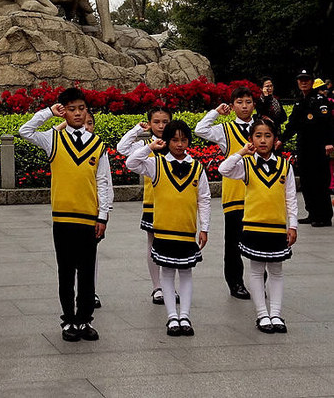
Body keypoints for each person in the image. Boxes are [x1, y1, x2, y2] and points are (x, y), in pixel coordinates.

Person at [18, 87, 112, 342]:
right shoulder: (53, 139)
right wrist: (48, 112)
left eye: (81, 108)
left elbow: (103, 182)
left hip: (88, 218)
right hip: (62, 218)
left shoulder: (98, 144)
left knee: (87, 271)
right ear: (64, 112)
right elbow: (24, 131)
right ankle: (68, 320)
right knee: (66, 271)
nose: (77, 113)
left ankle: (85, 320)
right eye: (71, 109)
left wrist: (103, 216)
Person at [126, 120, 210, 337]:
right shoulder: (157, 164)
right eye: (174, 140)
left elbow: (205, 198)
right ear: (167, 141)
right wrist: (150, 147)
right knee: (167, 272)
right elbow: (131, 163)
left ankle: (185, 315)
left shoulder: (197, 167)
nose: (180, 144)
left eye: (183, 140)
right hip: (163, 230)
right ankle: (172, 316)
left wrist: (205, 227)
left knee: (186, 273)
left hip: (186, 229)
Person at [218, 118, 297, 333]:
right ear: (251, 139)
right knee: (256, 271)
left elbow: (290, 197)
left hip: (277, 227)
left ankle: (276, 314)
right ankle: (262, 314)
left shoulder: (284, 165)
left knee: (277, 271)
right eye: (258, 136)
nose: (263, 140)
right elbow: (223, 170)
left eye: (268, 136)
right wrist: (242, 152)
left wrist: (294, 225)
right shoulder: (246, 165)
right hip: (253, 226)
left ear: (275, 140)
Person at [194, 86, 255, 299]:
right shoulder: (226, 130)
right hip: (234, 195)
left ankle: (260, 281)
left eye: (248, 102)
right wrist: (216, 113)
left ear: (253, 104)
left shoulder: (262, 127)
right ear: (233, 105)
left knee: (260, 240)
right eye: (239, 102)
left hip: (260, 196)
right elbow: (199, 130)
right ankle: (235, 282)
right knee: (233, 243)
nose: (244, 106)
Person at [117, 104, 172, 304]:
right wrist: (137, 130)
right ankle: (157, 287)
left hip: (175, 205)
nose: (161, 125)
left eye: (165, 121)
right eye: (156, 122)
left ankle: (170, 286)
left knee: (171, 245)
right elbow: (122, 149)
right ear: (149, 124)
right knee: (153, 243)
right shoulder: (145, 145)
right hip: (153, 202)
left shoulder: (176, 145)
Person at [282, 69, 334, 227]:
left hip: (318, 148)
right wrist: (281, 140)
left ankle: (324, 216)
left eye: (306, 79)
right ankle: (312, 212)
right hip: (304, 148)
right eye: (301, 80)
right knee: (306, 181)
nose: (303, 82)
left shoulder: (320, 101)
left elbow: (329, 124)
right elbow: (292, 125)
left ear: (312, 82)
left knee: (320, 181)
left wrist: (329, 142)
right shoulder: (300, 101)